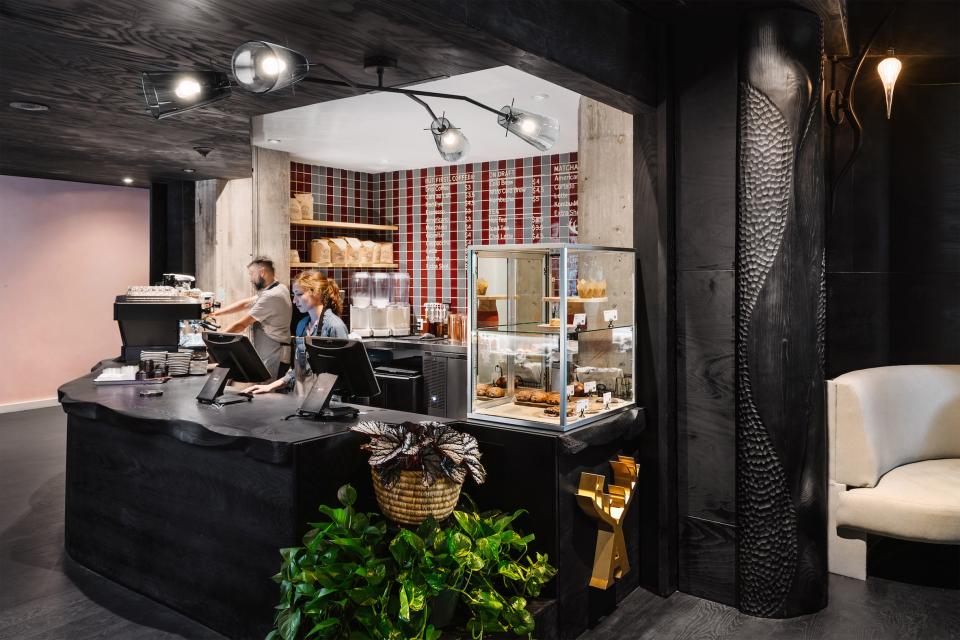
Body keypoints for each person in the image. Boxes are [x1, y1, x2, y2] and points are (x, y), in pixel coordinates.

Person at [245, 271, 347, 394]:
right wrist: (270, 387)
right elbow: (300, 369)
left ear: (317, 293)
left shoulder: (334, 326)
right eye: (294, 295)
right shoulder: (302, 325)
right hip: (301, 398)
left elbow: (343, 375)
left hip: (326, 402)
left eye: (299, 294)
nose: (294, 301)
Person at [209, 257, 292, 378]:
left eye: (252, 274)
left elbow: (241, 325)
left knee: (268, 394)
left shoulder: (272, 295)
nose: (251, 279)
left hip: (275, 354)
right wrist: (216, 313)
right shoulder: (278, 288)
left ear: (262, 272)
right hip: (272, 351)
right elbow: (245, 303)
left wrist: (214, 341)